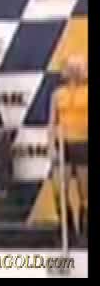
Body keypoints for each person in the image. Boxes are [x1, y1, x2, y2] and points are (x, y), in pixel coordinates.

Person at [49, 55, 88, 238]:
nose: (73, 71)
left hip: (84, 143)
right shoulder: (58, 94)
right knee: (59, 190)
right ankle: (67, 231)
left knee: (85, 192)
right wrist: (52, 147)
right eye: (70, 67)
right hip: (63, 144)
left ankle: (84, 233)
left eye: (77, 67)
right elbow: (52, 123)